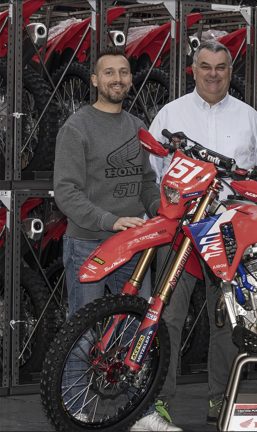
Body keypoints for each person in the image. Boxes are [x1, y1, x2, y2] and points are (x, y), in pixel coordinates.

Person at [146, 40, 257, 430]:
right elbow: (154, 171)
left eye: (220, 67)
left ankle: (222, 399)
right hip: (180, 230)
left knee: (228, 321)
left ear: (230, 72)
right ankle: (159, 402)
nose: (213, 74)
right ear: (193, 69)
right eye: (205, 66)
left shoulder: (250, 118)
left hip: (231, 233)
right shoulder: (171, 114)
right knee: (168, 316)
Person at [53, 47, 166, 431]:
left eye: (123, 72)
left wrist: (162, 208)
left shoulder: (137, 125)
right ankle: (74, 412)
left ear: (131, 79)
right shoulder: (77, 128)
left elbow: (146, 183)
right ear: (94, 80)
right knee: (82, 334)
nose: (117, 79)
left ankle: (140, 414)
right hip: (88, 244)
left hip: (133, 248)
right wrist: (109, 220)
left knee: (138, 332)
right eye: (109, 73)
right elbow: (66, 192)